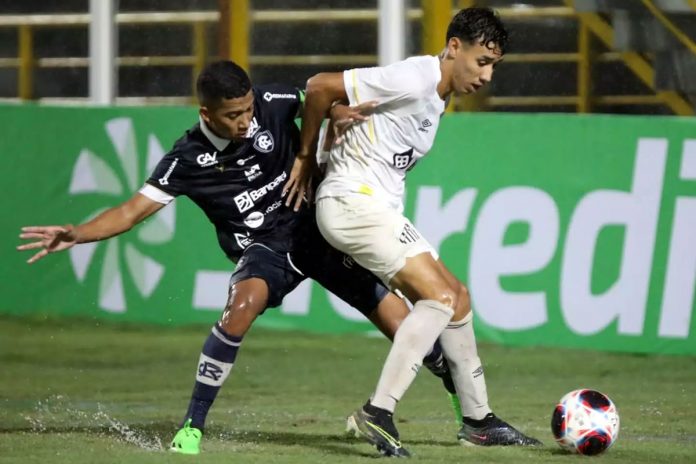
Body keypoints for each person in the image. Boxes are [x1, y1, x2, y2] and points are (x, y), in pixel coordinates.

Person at [16, 61, 461, 455]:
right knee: (239, 310)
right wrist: (76, 233)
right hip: (265, 248)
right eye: (233, 115)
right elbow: (131, 212)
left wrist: (337, 114)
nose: (246, 121)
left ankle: (471, 417)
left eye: (248, 110)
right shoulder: (186, 159)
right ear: (206, 113)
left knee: (407, 328)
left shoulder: (271, 101)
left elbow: (322, 99)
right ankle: (192, 426)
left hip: (319, 231)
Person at [283, 7, 541, 457]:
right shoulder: (416, 77)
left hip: (374, 205)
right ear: (454, 47)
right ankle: (378, 411)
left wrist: (340, 122)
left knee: (456, 298)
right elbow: (319, 86)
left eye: (493, 66)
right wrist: (307, 157)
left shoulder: (437, 96)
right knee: (436, 299)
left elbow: (360, 118)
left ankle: (479, 420)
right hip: (352, 203)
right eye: (482, 62)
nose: (486, 76)